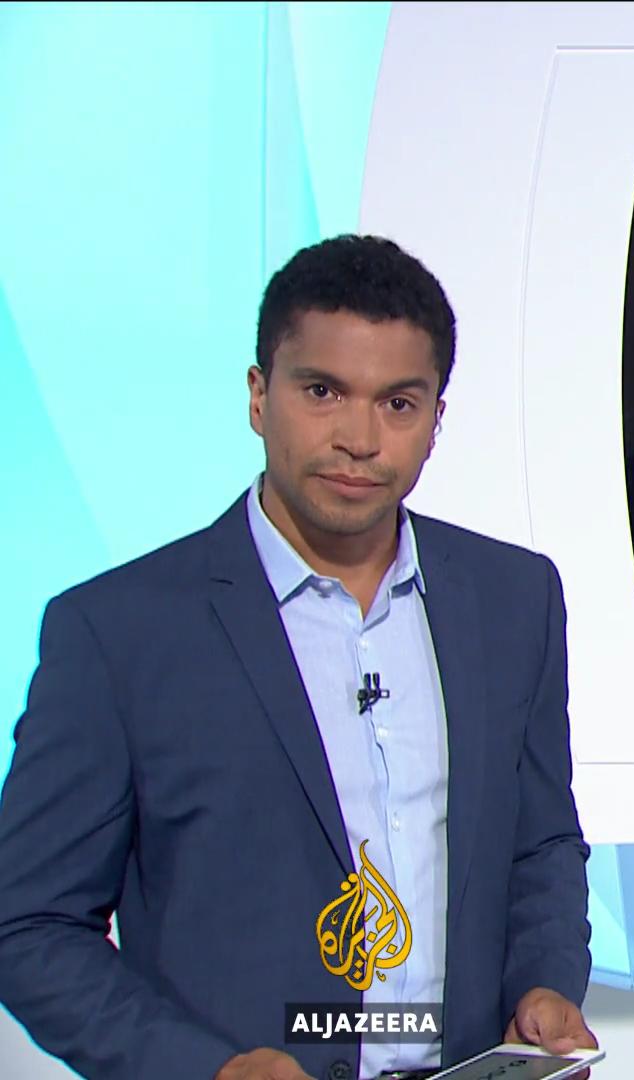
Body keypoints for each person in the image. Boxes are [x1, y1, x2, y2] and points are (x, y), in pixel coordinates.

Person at [0, 235, 594, 1080]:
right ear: (258, 395)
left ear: (436, 422)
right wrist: (206, 1069)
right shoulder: (118, 633)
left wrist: (544, 982)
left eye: (398, 403)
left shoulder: (514, 599)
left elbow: (542, 842)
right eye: (322, 392)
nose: (360, 438)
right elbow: (29, 924)